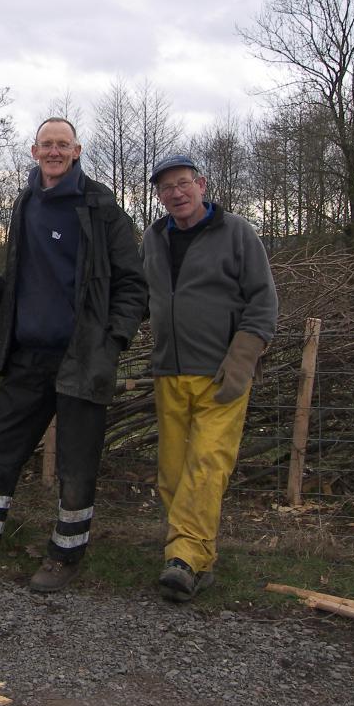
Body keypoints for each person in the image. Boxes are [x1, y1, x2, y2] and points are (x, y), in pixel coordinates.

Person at [0, 118, 147, 592]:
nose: (55, 152)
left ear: (77, 151)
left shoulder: (101, 207)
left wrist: (113, 341)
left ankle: (66, 556)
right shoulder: (25, 203)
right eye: (47, 145)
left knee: (76, 464)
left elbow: (132, 284)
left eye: (63, 145)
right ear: (33, 151)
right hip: (26, 356)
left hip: (83, 357)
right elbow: (24, 268)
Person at [142, 154, 277, 602]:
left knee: (206, 466)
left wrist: (242, 359)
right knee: (172, 472)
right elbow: (144, 298)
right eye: (166, 188)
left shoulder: (237, 233)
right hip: (169, 371)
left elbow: (263, 301)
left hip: (220, 372)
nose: (176, 193)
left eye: (183, 184)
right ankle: (200, 560)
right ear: (159, 196)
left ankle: (182, 559)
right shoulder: (154, 238)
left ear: (201, 184)